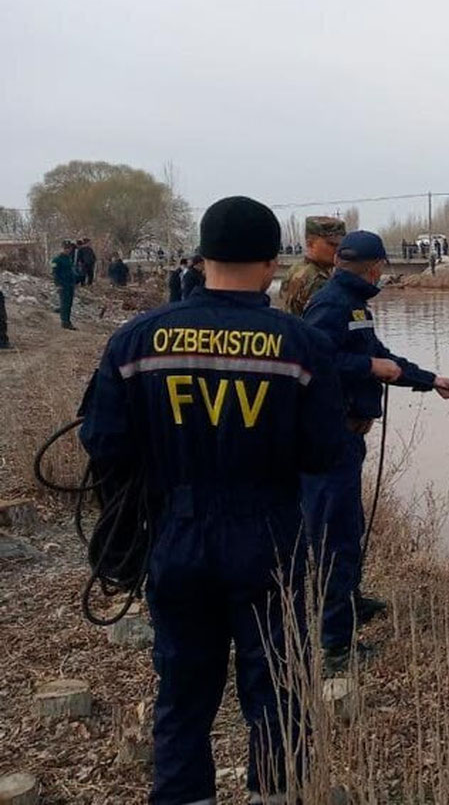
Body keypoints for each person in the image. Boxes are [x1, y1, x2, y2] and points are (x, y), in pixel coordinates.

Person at [78, 195, 347, 805]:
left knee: (182, 696)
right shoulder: (300, 346)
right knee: (277, 692)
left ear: (200, 259)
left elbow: (103, 444)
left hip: (175, 538)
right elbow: (324, 454)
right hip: (269, 543)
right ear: (271, 263)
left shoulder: (135, 341)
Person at [302, 230, 449, 670]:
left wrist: (432, 381)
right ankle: (336, 647)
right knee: (335, 538)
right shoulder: (331, 304)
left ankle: (350, 602)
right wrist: (367, 366)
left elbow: (382, 356)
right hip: (328, 438)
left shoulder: (355, 305)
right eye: (382, 268)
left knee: (349, 526)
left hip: (347, 437)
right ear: (375, 268)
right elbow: (311, 363)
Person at [280, 216, 346, 316]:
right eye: (332, 244)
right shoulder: (317, 279)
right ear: (310, 243)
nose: (338, 249)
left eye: (341, 244)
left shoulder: (296, 269)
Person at [51, 239, 78, 330]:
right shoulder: (57, 259)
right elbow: (55, 273)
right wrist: (57, 284)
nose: (67, 250)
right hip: (63, 284)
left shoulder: (69, 258)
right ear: (62, 248)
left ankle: (67, 320)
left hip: (70, 284)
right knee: (64, 303)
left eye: (68, 248)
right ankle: (65, 321)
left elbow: (71, 271)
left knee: (69, 303)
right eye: (65, 248)